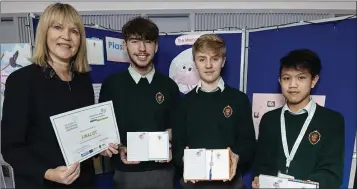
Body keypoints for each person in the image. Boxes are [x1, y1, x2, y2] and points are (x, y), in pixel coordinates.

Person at [1, 3, 96, 189]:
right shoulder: (22, 81)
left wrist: (101, 145)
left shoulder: (83, 81)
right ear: (45, 32)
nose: (66, 37)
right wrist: (49, 173)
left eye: (74, 31)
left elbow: (85, 135)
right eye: (58, 27)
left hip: (84, 183)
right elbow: (11, 147)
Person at [98, 16, 180, 189]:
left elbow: (175, 128)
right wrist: (120, 148)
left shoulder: (169, 86)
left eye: (148, 41)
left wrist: (169, 145)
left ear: (156, 46)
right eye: (135, 41)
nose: (142, 48)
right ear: (124, 45)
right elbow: (104, 132)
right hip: (125, 173)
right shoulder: (111, 85)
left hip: (163, 172)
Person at [172, 34, 256, 189]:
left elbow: (248, 144)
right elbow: (177, 147)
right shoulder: (183, 103)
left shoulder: (239, 99)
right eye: (202, 59)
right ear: (195, 63)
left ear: (223, 61)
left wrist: (236, 157)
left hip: (230, 185)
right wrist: (186, 161)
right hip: (193, 185)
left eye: (215, 59)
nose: (208, 65)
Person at [252, 49, 345, 189]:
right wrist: (259, 179)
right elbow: (261, 164)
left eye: (301, 78)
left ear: (314, 81)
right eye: (286, 78)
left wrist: (308, 185)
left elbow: (331, 172)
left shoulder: (332, 121)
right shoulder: (269, 119)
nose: (292, 85)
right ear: (279, 81)